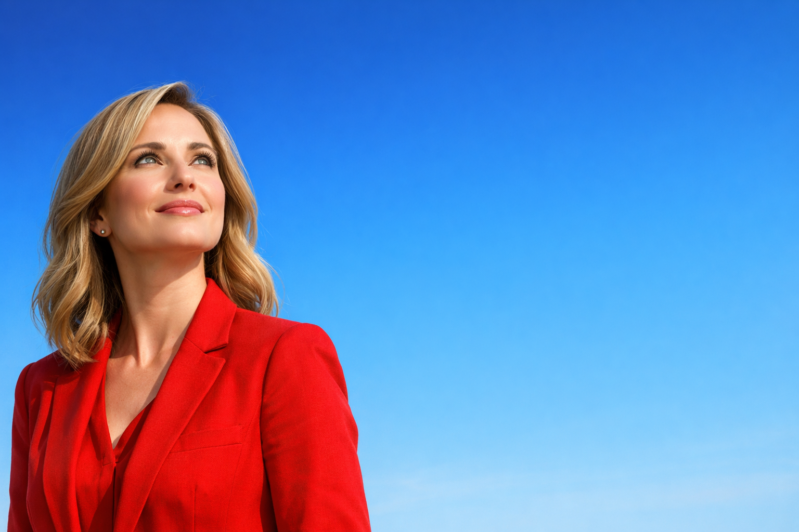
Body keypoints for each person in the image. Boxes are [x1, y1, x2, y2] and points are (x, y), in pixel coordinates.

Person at [8, 82, 371, 532]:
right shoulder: (39, 389)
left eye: (203, 159)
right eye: (149, 159)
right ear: (98, 213)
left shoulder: (286, 357)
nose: (185, 176)